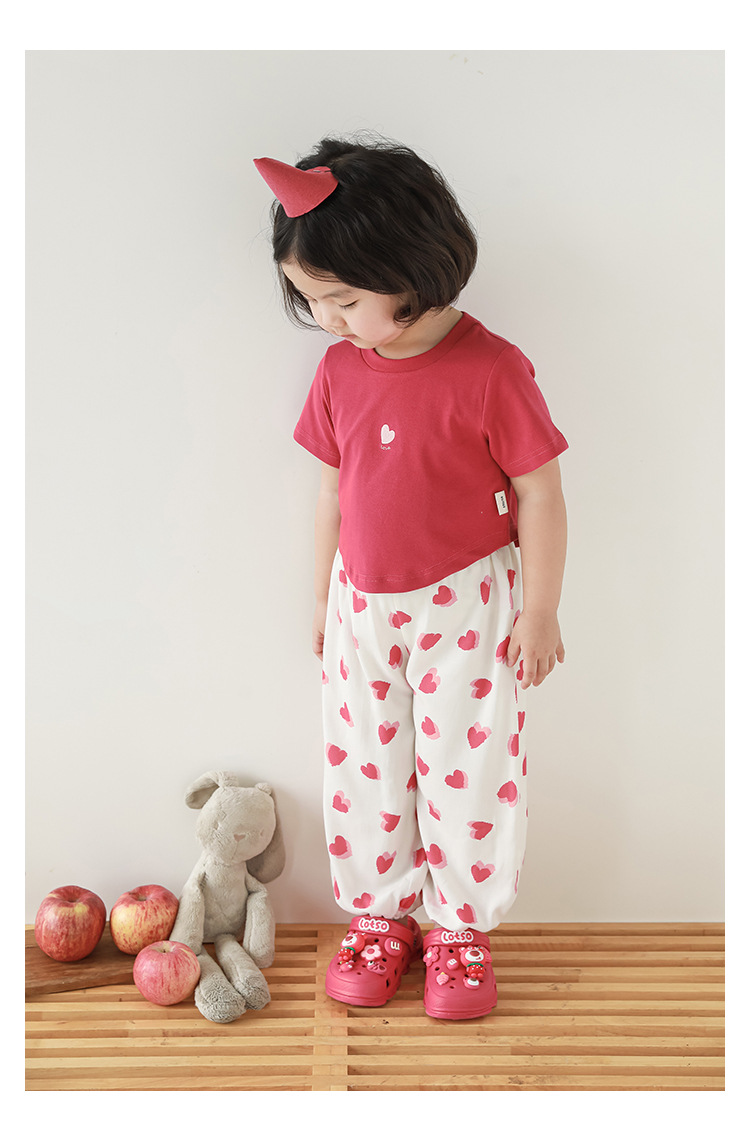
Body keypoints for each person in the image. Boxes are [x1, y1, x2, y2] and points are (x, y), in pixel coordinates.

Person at [255, 137, 568, 1020]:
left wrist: (541, 610)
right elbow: (332, 489)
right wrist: (323, 599)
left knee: (470, 766)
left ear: (411, 269)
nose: (327, 320)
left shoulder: (492, 368)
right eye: (312, 300)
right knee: (365, 763)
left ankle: (461, 927)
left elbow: (541, 492)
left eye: (344, 300)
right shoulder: (338, 371)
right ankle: (380, 913)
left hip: (468, 603)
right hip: (363, 602)